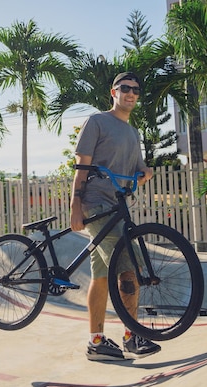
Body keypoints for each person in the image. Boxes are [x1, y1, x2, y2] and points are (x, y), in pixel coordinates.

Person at [69, 72, 161, 361]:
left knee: (99, 277)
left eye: (136, 89)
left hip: (116, 207)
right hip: (96, 205)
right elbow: (81, 165)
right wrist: (75, 205)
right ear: (113, 92)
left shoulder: (133, 133)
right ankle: (132, 336)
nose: (131, 93)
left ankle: (96, 342)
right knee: (128, 270)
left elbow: (139, 168)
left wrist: (146, 172)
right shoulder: (97, 122)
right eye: (125, 88)